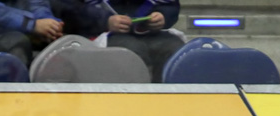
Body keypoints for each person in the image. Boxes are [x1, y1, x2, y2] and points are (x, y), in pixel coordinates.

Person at [49, 0, 183, 82]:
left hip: (148, 32)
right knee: (128, 53)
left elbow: (170, 5)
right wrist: (105, 20)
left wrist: (163, 15)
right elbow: (65, 7)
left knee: (175, 51)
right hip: (97, 32)